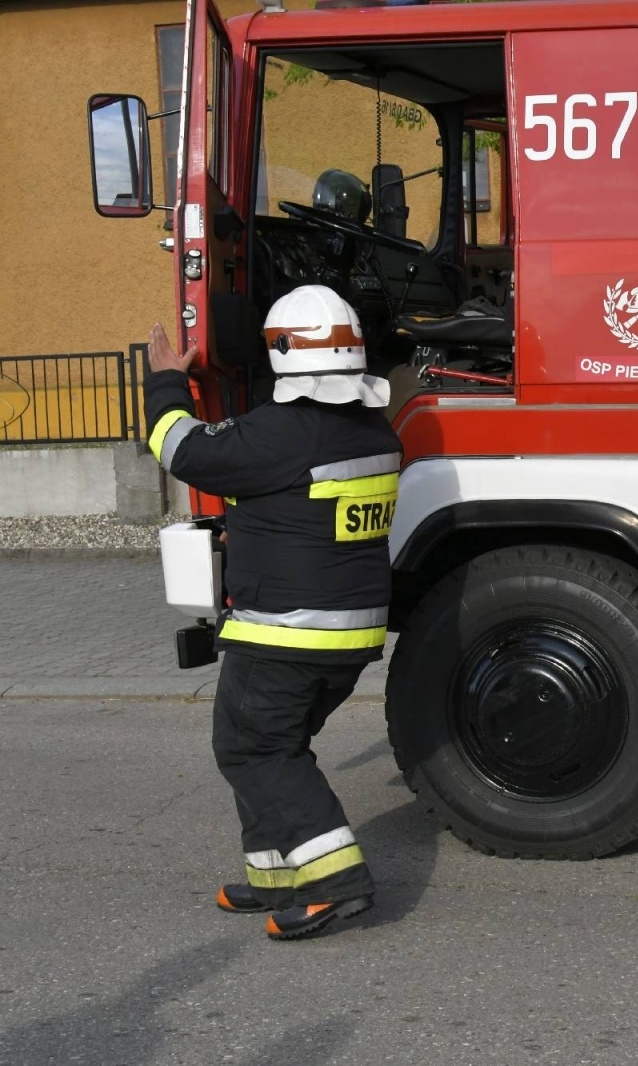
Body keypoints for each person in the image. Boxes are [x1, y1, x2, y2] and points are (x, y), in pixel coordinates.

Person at [144, 284, 402, 941]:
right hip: (351, 633)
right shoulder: (374, 428)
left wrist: (167, 381)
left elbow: (181, 450)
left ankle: (335, 885)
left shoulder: (277, 435)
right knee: (270, 745)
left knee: (252, 747)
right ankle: (273, 876)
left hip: (285, 631)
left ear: (282, 354)